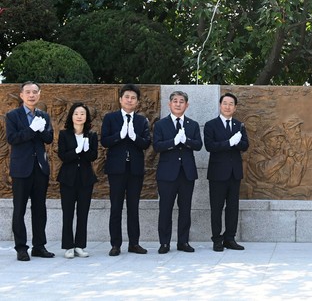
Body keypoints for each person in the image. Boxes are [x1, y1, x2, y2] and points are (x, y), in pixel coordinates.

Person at [5, 81, 55, 261]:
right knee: (19, 209)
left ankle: (39, 246)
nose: (31, 95)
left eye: (35, 92)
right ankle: (21, 248)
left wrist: (41, 130)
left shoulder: (44, 115)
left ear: (39, 94)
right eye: (28, 92)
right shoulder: (12, 116)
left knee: (40, 209)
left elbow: (49, 138)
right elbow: (12, 138)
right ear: (21, 95)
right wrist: (31, 129)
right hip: (21, 169)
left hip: (40, 168)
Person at [101, 84, 151, 256]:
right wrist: (119, 136)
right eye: (127, 97)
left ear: (137, 102)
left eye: (133, 98)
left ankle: (134, 243)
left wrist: (134, 137)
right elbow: (104, 141)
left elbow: (146, 143)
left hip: (135, 170)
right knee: (116, 207)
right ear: (121, 99)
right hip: (116, 170)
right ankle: (115, 244)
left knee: (133, 207)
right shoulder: (110, 118)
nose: (130, 100)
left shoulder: (141, 120)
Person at [153, 91, 203, 254]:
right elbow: (157, 146)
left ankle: (183, 242)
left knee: (185, 209)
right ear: (169, 104)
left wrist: (186, 141)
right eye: (175, 101)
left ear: (186, 105)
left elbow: (198, 145)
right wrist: (174, 142)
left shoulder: (192, 124)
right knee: (165, 209)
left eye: (182, 101)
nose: (178, 104)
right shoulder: (161, 124)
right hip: (167, 174)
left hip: (186, 173)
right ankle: (164, 243)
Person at [204, 92, 249, 252]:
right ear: (220, 105)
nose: (228, 106)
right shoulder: (211, 125)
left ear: (235, 108)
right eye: (225, 103)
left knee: (232, 207)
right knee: (216, 207)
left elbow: (245, 145)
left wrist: (237, 143)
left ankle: (230, 238)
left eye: (231, 104)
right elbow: (210, 146)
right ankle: (217, 239)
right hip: (217, 173)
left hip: (234, 173)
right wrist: (229, 142)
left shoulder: (239, 125)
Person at [57, 103, 98, 259]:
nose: (79, 116)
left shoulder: (92, 135)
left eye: (82, 113)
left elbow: (93, 156)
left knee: (83, 213)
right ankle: (68, 246)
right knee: (68, 213)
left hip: (86, 179)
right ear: (71, 116)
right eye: (76, 113)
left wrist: (86, 150)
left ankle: (80, 245)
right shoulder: (64, 134)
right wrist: (76, 151)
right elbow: (63, 155)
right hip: (67, 179)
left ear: (86, 117)